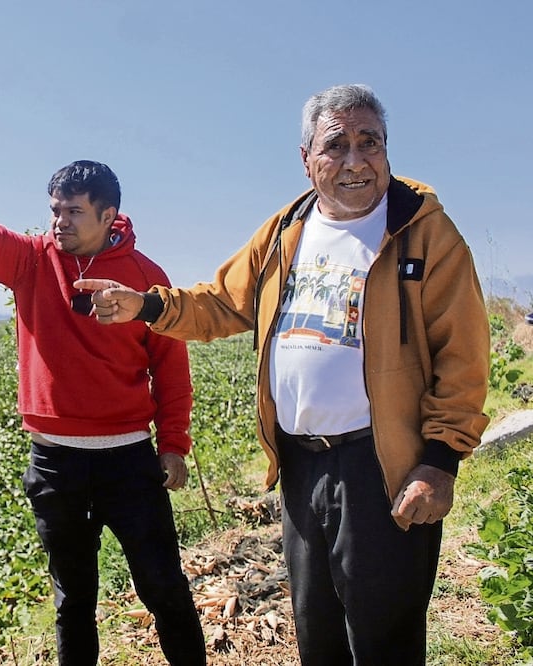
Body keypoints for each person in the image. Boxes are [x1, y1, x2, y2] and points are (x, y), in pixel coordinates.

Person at [75, 85, 490, 665]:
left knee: (384, 637)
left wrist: (440, 459)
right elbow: (221, 303)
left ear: (387, 150)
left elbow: (463, 357)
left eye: (369, 143)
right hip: (300, 464)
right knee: (316, 629)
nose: (355, 160)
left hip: (382, 465)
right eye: (336, 145)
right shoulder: (285, 231)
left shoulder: (424, 232)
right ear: (306, 159)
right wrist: (145, 306)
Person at [0, 160, 206, 665]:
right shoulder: (31, 261)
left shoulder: (145, 278)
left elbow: (171, 368)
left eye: (74, 212)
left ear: (109, 214)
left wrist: (174, 445)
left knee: (163, 588)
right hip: (55, 466)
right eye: (55, 211)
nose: (60, 222)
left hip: (130, 464)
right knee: (73, 601)